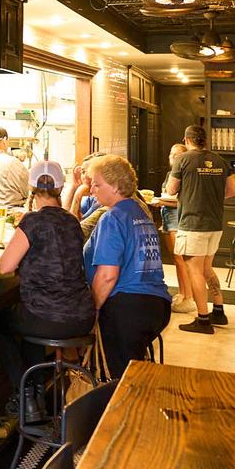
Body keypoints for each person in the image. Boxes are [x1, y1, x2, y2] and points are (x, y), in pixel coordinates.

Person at [0, 160, 95, 419]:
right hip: (82, 317)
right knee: (30, 321)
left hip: (46, 317)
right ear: (60, 188)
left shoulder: (32, 222)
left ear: (32, 189)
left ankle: (25, 394)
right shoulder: (72, 222)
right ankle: (37, 393)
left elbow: (5, 266)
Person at [83, 155, 171, 378]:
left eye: (97, 184)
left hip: (126, 307)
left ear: (114, 186)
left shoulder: (113, 217)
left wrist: (93, 309)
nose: (92, 189)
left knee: (120, 381)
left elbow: (108, 275)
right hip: (157, 305)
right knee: (134, 373)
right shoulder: (141, 212)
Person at [165, 125, 235, 334]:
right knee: (206, 268)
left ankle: (203, 319)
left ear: (187, 140)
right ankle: (219, 311)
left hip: (193, 223)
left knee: (194, 270)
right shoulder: (220, 161)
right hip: (214, 223)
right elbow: (232, 190)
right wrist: (210, 195)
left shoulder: (183, 160)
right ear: (205, 140)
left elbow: (170, 189)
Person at [158, 143, 194, 313]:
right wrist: (161, 202)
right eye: (171, 154)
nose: (172, 157)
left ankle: (188, 297)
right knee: (175, 258)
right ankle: (181, 293)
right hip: (166, 216)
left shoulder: (186, 175)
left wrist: (160, 201)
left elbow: (183, 201)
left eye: (176, 154)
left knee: (180, 259)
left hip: (177, 218)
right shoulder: (169, 174)